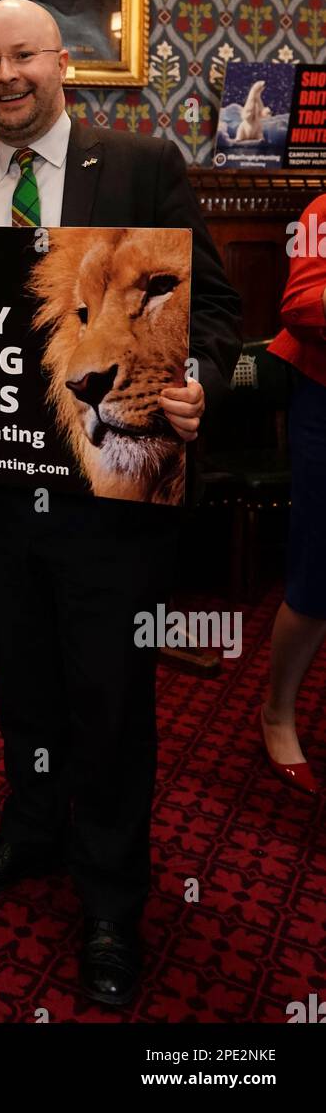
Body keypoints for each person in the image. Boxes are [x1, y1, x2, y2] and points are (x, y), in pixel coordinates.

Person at [0, 0, 242, 1006]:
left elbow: (220, 310)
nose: (3, 74)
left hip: (108, 497)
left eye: (21, 54)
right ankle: (30, 830)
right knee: (20, 684)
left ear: (62, 62)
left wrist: (196, 376)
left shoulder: (141, 167)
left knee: (107, 700)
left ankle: (110, 902)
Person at [261, 192, 326, 795]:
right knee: (316, 576)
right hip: (324, 399)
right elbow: (301, 306)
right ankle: (278, 713)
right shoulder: (321, 211)